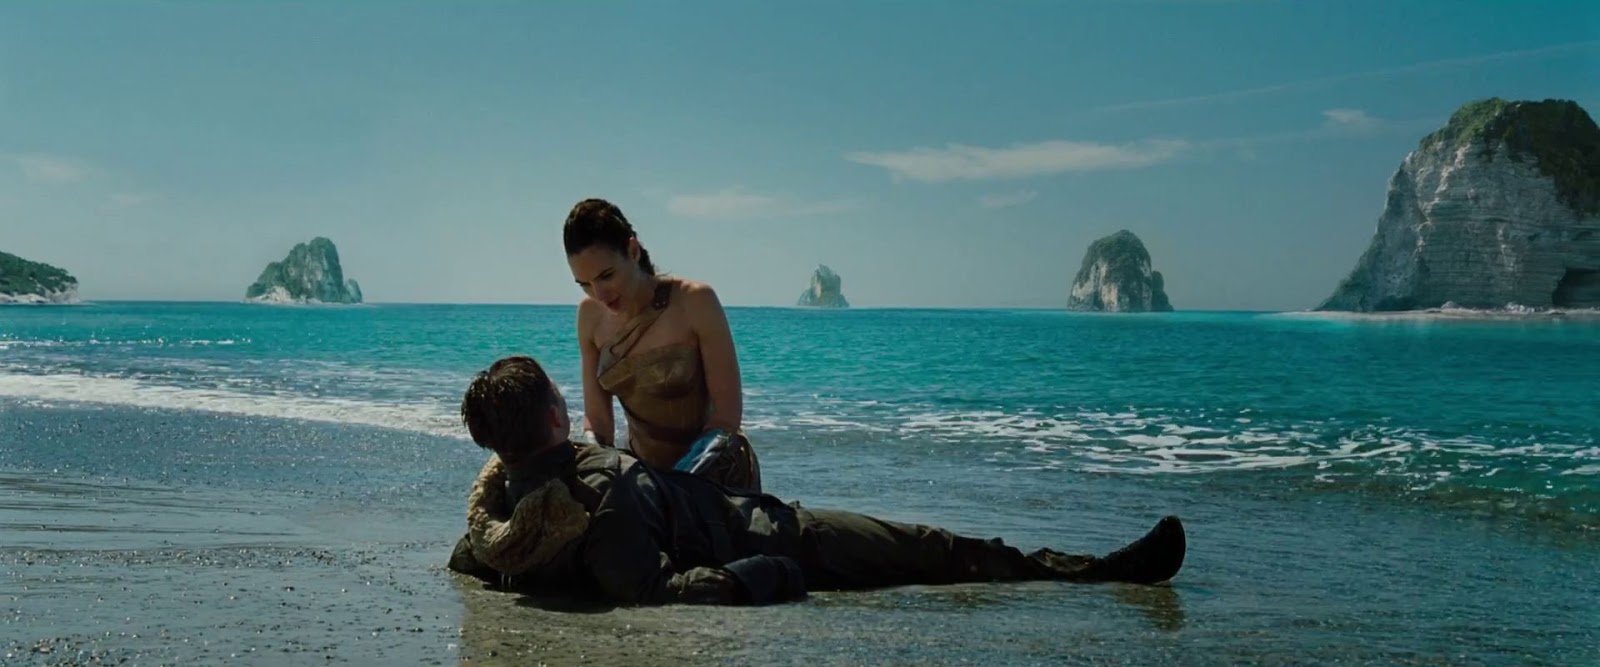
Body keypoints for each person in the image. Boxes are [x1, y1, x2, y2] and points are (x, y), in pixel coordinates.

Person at [448, 355, 1188, 606]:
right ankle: (1089, 572)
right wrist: (774, 575)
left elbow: (471, 556)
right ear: (556, 417)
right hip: (770, 535)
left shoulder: (501, 505)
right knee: (924, 549)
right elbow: (657, 588)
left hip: (711, 507)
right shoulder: (600, 489)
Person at [562, 197, 761, 492]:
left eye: (606, 276)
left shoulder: (696, 301)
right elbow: (599, 422)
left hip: (715, 471)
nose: (599, 294)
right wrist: (593, 473)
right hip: (642, 477)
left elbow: (726, 417)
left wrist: (671, 488)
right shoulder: (589, 316)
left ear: (633, 250)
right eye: (585, 284)